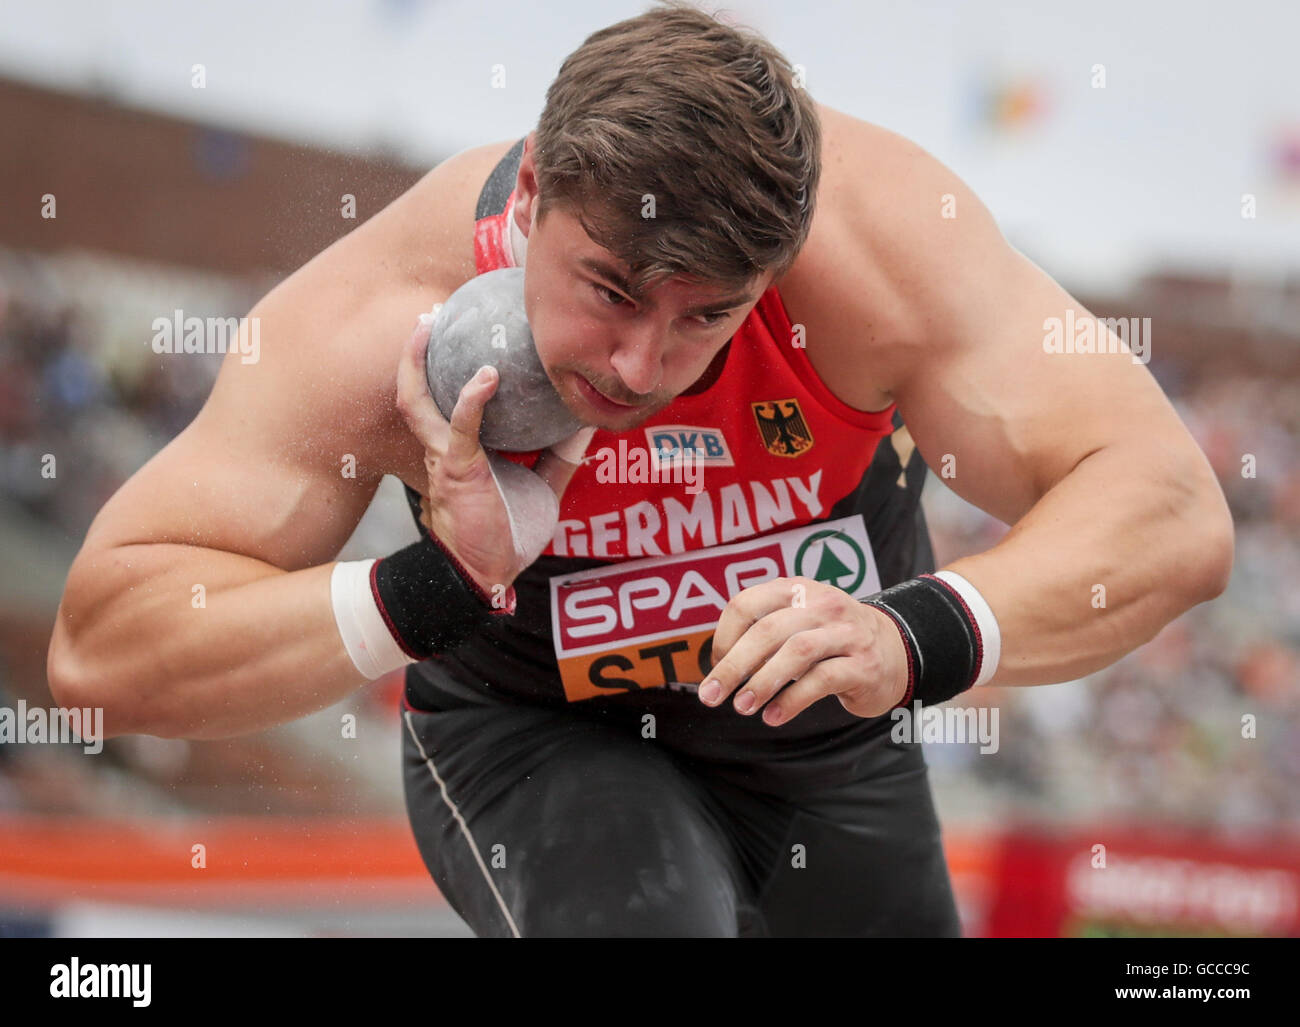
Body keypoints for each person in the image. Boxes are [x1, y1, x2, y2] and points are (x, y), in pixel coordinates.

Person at [47, 2, 1234, 937]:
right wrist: (436, 585)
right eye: (608, 288)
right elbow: (103, 652)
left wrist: (906, 637)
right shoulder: (386, 317)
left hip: (818, 739)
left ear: (777, 273)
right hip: (541, 735)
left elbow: (1170, 511)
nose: (637, 362)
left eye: (705, 317)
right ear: (528, 197)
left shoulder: (882, 254)